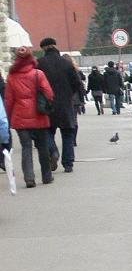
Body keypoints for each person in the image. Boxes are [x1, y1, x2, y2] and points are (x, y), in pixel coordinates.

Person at [6, 48, 58, 187]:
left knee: (26, 148)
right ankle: (46, 176)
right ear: (31, 58)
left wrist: (10, 117)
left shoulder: (12, 76)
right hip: (38, 115)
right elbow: (49, 93)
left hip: (20, 116)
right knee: (42, 147)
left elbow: (9, 100)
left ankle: (29, 178)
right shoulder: (38, 74)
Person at [37, 38, 83, 174]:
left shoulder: (39, 64)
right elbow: (77, 83)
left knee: (47, 132)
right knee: (68, 133)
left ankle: (53, 151)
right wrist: (69, 94)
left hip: (47, 104)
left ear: (43, 48)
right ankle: (68, 164)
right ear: (55, 46)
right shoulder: (66, 63)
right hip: (65, 104)